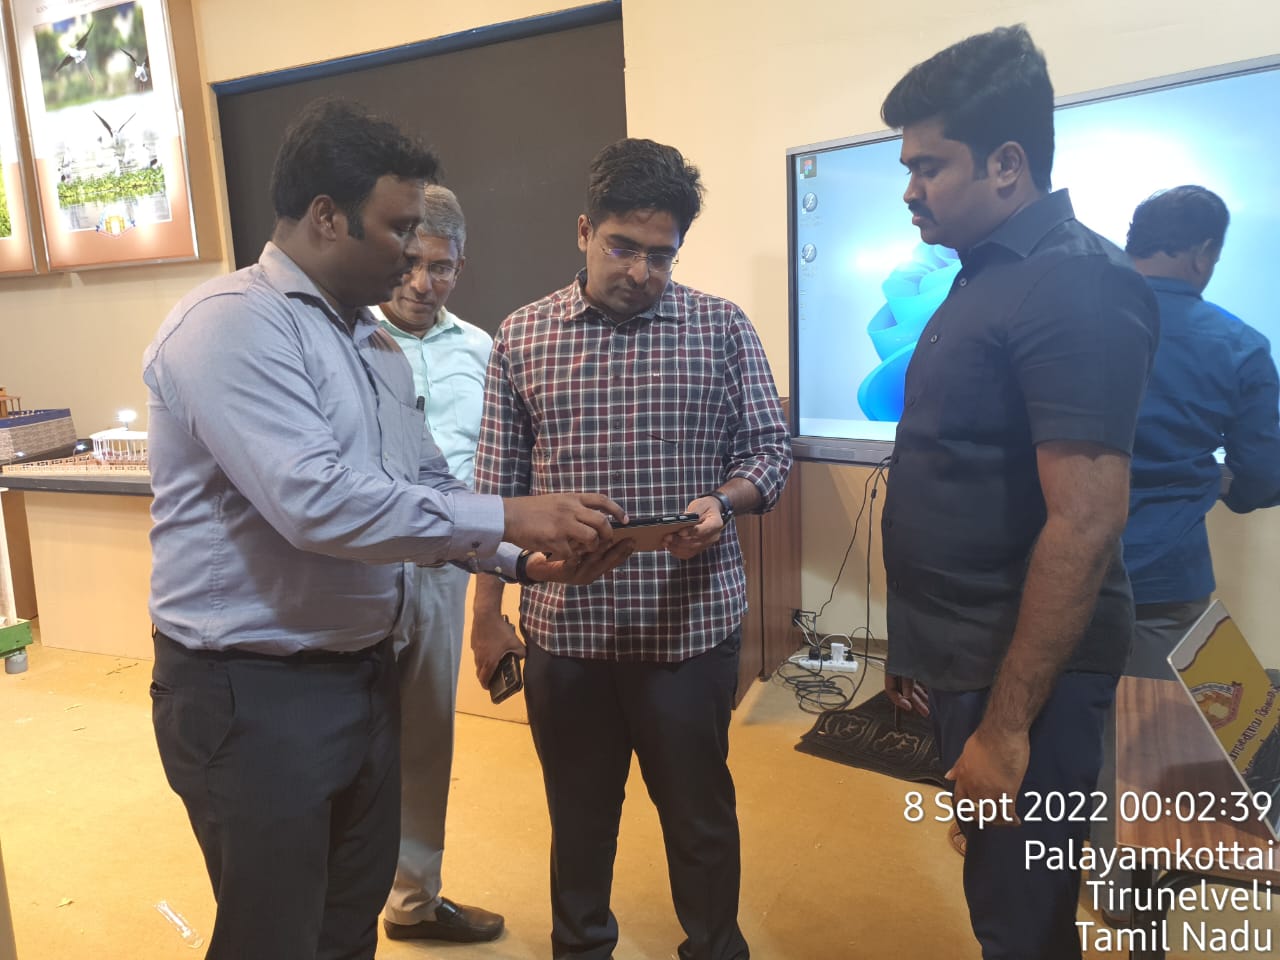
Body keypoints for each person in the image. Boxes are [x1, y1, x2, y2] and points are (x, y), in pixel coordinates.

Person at [144, 98, 625, 960]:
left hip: (359, 672)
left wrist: (522, 559)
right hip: (253, 690)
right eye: (399, 228)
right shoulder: (231, 323)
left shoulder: (370, 345)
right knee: (274, 932)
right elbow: (316, 503)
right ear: (327, 216)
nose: (412, 253)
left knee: (349, 915)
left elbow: (425, 482)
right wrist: (511, 513)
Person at [470, 138, 792, 960]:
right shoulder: (522, 336)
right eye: (623, 247)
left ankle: (714, 947)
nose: (642, 271)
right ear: (585, 231)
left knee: (699, 818)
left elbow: (769, 450)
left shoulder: (721, 328)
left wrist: (723, 503)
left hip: (689, 632)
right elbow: (493, 496)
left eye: (661, 254)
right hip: (567, 635)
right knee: (579, 822)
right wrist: (487, 616)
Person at [876, 26, 1159, 959]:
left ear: (1006, 163)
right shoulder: (986, 274)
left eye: (928, 166)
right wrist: (915, 646)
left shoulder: (1074, 283)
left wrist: (1004, 731)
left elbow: (1087, 518)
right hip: (965, 648)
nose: (910, 189)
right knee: (1002, 890)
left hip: (1025, 674)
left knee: (1023, 920)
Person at [369, 185, 504, 942]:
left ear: (461, 265)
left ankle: (413, 901)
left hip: (448, 567)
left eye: (442, 267)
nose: (424, 283)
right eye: (412, 262)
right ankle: (338, 903)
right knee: (347, 735)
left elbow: (494, 468)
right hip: (360, 567)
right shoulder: (348, 337)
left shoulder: (483, 349)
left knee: (426, 737)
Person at [1122, 185, 1280, 670]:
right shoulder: (1240, 345)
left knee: (1046, 709)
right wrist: (1234, 492)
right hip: (1163, 579)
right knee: (1157, 716)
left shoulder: (1063, 322)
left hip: (1047, 570)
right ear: (1203, 252)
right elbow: (1264, 473)